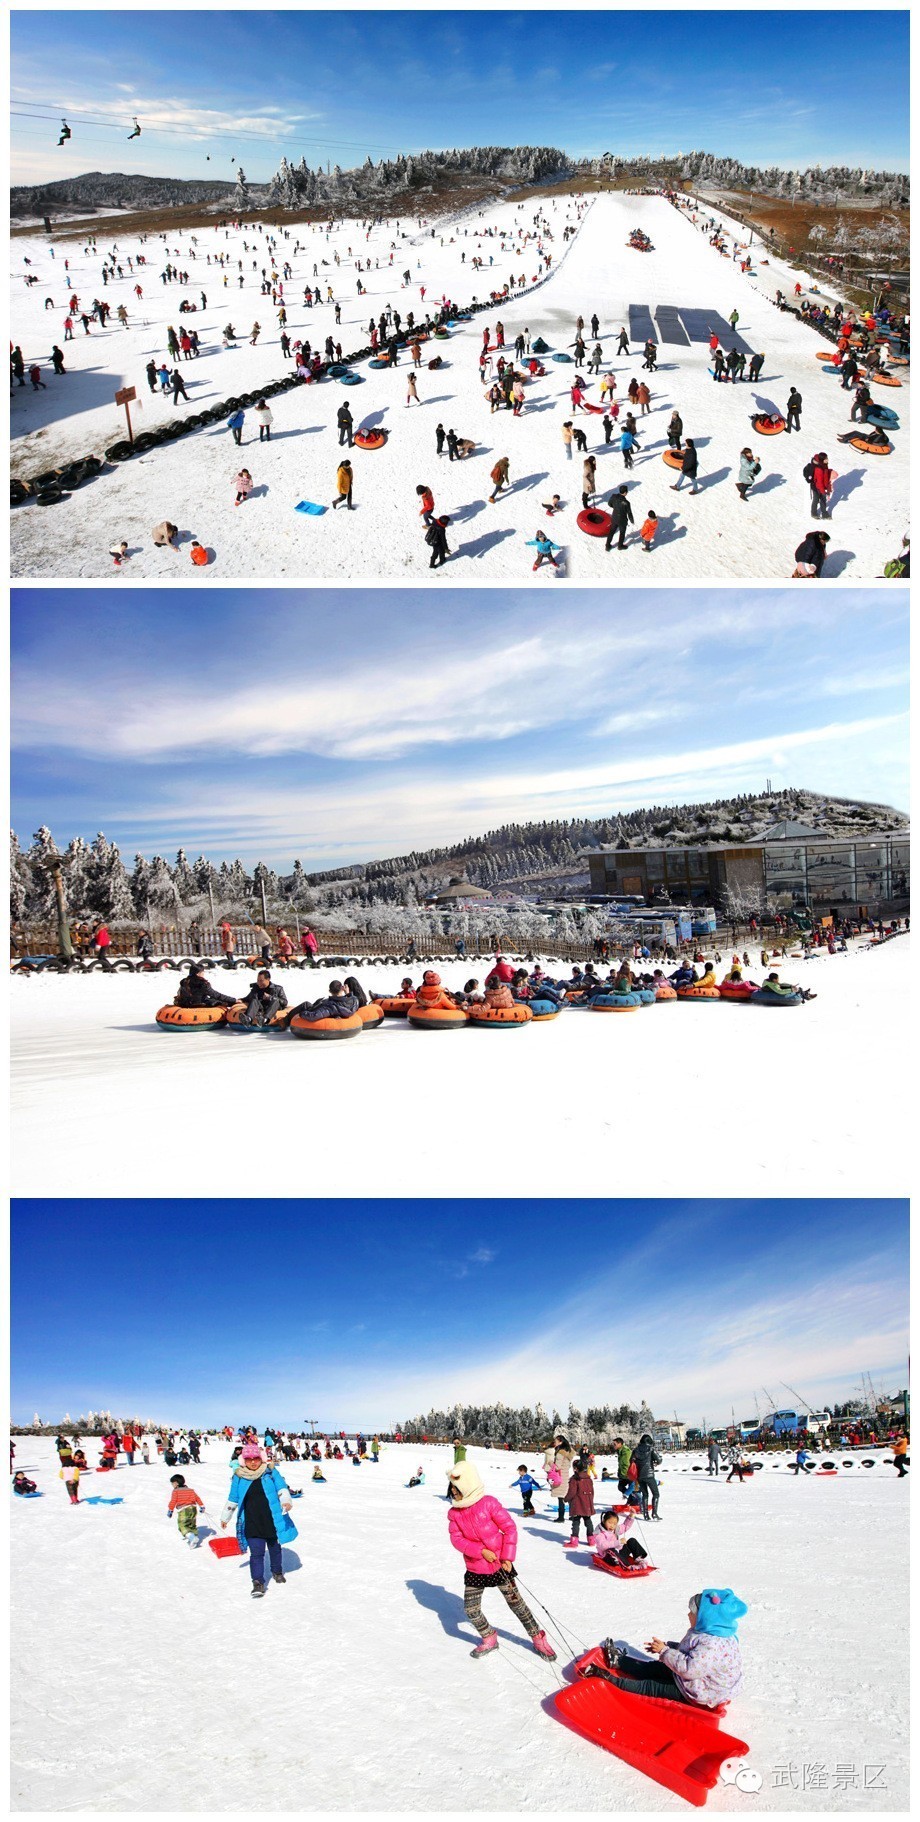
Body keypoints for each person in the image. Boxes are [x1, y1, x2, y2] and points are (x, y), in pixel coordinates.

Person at [446, 1460, 556, 1661]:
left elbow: (509, 1528)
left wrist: (507, 1557)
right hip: (475, 1567)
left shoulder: (488, 1503)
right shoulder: (454, 1513)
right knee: (471, 1609)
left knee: (517, 1604)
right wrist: (480, 1551)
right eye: (452, 1488)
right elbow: (457, 1539)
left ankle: (537, 1637)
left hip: (499, 1565)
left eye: (457, 1488)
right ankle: (489, 1637)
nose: (453, 1492)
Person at [604, 1588, 746, 1708]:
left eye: (693, 1612)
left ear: (706, 1618)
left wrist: (664, 1651)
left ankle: (611, 1682)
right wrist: (668, 1647)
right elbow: (693, 1653)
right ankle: (619, 1661)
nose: (688, 1614)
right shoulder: (714, 1631)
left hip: (702, 1691)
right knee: (654, 1668)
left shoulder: (712, 1645)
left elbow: (689, 1670)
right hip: (698, 1679)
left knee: (652, 1686)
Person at [220, 1441, 297, 1597]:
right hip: (252, 1521)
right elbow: (233, 1498)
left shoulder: (269, 1471)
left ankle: (277, 1571)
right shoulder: (239, 1476)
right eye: (249, 1459)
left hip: (272, 1519)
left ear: (261, 1458)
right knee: (256, 1553)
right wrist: (225, 1517)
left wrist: (286, 1502)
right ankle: (258, 1582)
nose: (253, 1462)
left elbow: (281, 1487)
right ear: (243, 1460)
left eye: (256, 1458)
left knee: (275, 1548)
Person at [175, 960, 240, 1011]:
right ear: (198, 973)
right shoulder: (202, 983)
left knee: (211, 998)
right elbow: (216, 995)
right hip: (199, 1004)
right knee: (221, 1001)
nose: (204, 973)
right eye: (203, 971)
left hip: (186, 1004)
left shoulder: (184, 981)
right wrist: (234, 1000)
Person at [167, 1474, 206, 1547]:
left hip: (183, 1510)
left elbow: (173, 1501)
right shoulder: (190, 1490)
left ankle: (192, 1537)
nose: (172, 1485)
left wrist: (170, 1510)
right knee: (192, 1524)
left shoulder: (176, 1491)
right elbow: (197, 1498)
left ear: (176, 1483)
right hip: (193, 1509)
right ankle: (194, 1539)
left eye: (172, 1483)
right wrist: (202, 1506)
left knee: (183, 1525)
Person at [564, 1458, 595, 1546]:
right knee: (588, 1521)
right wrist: (590, 1501)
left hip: (577, 1504)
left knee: (576, 1522)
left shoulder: (575, 1479)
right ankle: (591, 1539)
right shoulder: (588, 1478)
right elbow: (592, 1492)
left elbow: (572, 1492)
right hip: (587, 1503)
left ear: (575, 1468)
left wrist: (566, 1499)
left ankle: (574, 1541)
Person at [631, 1432, 662, 1519]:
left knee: (645, 1494)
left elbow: (632, 1461)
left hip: (640, 1476)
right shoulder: (651, 1449)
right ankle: (654, 1513)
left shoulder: (636, 1450)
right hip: (649, 1475)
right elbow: (659, 1460)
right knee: (656, 1494)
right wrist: (655, 1461)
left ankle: (645, 1514)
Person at [550, 1435, 574, 1523]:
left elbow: (557, 1467)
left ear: (560, 1442)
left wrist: (550, 1464)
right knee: (568, 1496)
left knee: (561, 1497)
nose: (554, 1443)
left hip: (559, 1476)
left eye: (555, 1441)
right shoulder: (568, 1452)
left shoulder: (560, 1453)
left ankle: (561, 1517)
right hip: (566, 1475)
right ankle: (572, 1515)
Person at [605, 486, 634, 552]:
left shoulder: (613, 496)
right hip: (622, 520)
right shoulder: (626, 503)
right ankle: (620, 545)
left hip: (614, 517)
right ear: (625, 492)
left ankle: (607, 545)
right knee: (622, 532)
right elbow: (629, 513)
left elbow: (609, 504)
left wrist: (615, 507)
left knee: (611, 531)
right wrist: (632, 520)